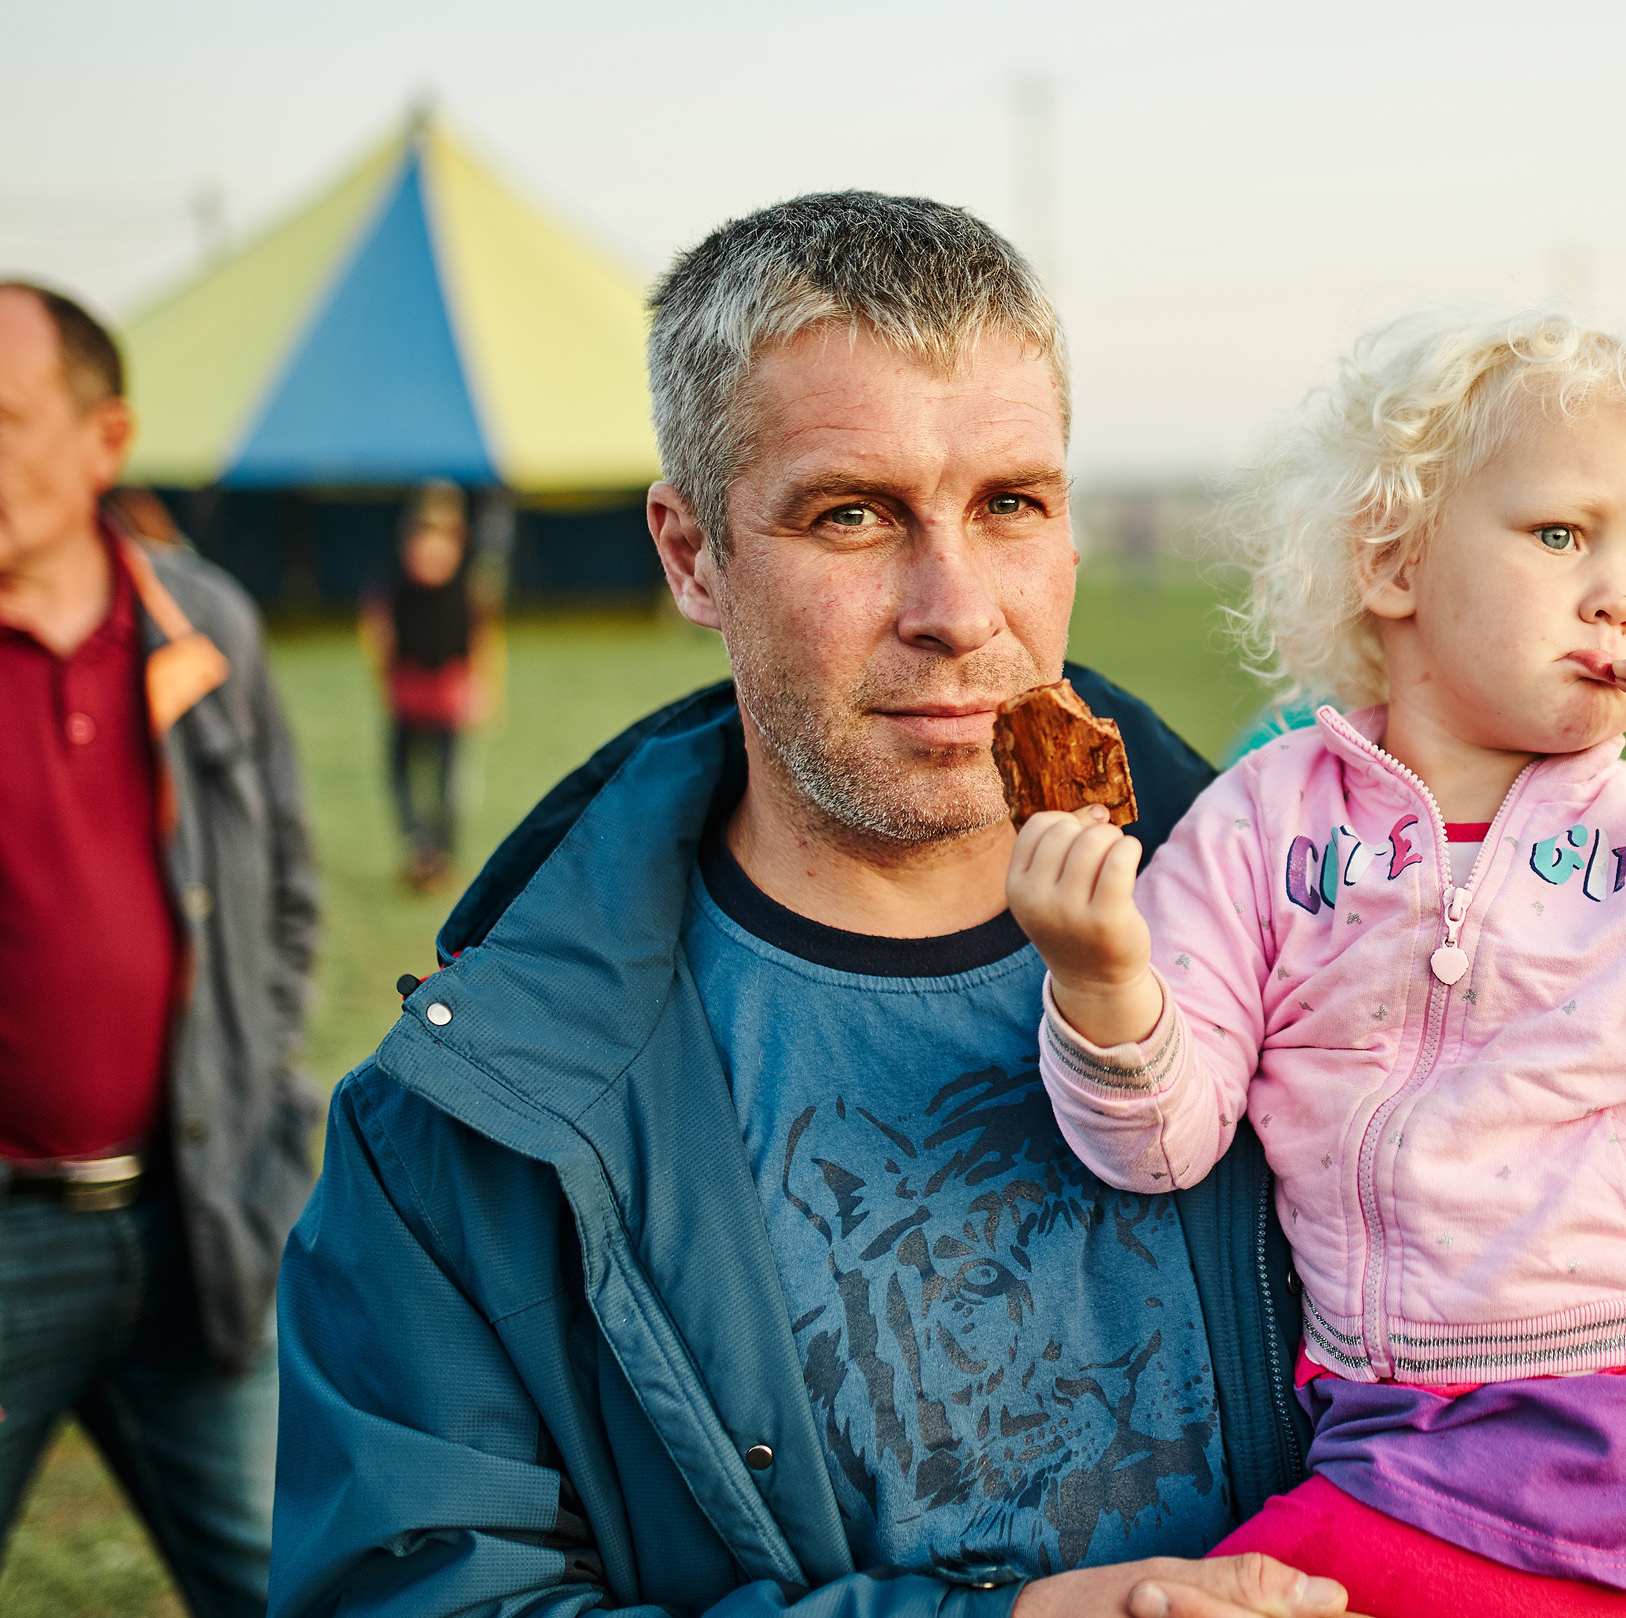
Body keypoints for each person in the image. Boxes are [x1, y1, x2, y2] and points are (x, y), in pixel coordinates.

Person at [271, 193, 1406, 1618]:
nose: (957, 606)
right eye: (852, 514)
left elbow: (1588, 1463)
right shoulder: (469, 1120)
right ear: (693, 553)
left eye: (1010, 504)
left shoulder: (1370, 949)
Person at [1008, 313, 1626, 1616]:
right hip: (1381, 1405)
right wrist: (1104, 983)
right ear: (1394, 558)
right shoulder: (1264, 820)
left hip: (1614, 1401)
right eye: (1562, 533)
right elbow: (1159, 1142)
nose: (1618, 591)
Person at [0, 281, 318, 1617]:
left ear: (104, 439)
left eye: (5, 420)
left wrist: (242, 1088)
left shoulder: (204, 627)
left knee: (291, 1579)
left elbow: (287, 891)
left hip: (202, 1219)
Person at [359, 481, 488, 889]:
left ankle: (422, 849)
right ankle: (438, 855)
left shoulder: (401, 570)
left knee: (407, 775)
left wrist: (383, 677)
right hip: (442, 687)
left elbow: (379, 629)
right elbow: (479, 633)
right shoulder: (466, 574)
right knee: (442, 777)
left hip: (416, 686)